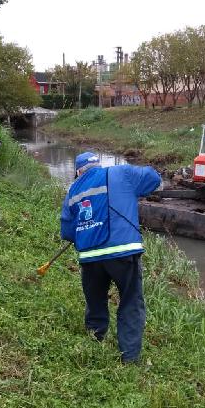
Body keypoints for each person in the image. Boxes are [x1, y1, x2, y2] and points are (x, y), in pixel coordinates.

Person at [60, 151, 162, 364]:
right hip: (123, 251)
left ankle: (94, 339)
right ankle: (129, 358)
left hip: (90, 256)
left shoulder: (73, 189)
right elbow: (153, 178)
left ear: (78, 171)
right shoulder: (121, 172)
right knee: (130, 301)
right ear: (98, 164)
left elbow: (68, 231)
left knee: (95, 300)